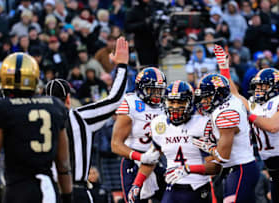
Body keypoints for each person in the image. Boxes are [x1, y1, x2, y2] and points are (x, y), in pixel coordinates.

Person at [0, 53, 73, 203]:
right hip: (48, 191)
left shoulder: (2, 109)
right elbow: (63, 165)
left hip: (18, 190)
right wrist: (68, 198)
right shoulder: (55, 106)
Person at [215, 44, 279, 203]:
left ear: (276, 86)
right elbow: (234, 94)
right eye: (257, 86)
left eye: (263, 86)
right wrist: (224, 68)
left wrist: (249, 114)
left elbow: (273, 126)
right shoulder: (256, 105)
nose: (258, 90)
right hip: (273, 170)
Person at [45, 37, 129, 203]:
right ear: (68, 99)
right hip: (78, 191)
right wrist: (122, 66)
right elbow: (115, 100)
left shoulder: (35, 122)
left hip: (50, 192)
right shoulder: (80, 117)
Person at [169, 72, 259, 201]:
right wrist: (224, 68)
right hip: (238, 169)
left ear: (219, 95)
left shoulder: (226, 114)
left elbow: (223, 157)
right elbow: (234, 91)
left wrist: (208, 147)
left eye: (207, 97)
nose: (204, 102)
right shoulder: (232, 100)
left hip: (240, 169)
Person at [128, 80, 220, 203]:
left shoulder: (202, 124)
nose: (175, 107)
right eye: (172, 102)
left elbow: (215, 167)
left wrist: (189, 169)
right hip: (172, 188)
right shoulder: (159, 124)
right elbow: (152, 159)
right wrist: (137, 184)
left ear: (190, 102)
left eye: (180, 102)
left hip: (198, 189)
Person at [111, 67, 167, 203]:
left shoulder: (165, 105)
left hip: (159, 158)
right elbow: (115, 144)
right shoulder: (131, 103)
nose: (157, 95)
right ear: (141, 88)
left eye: (160, 90)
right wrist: (141, 157)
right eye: (153, 90)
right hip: (134, 161)